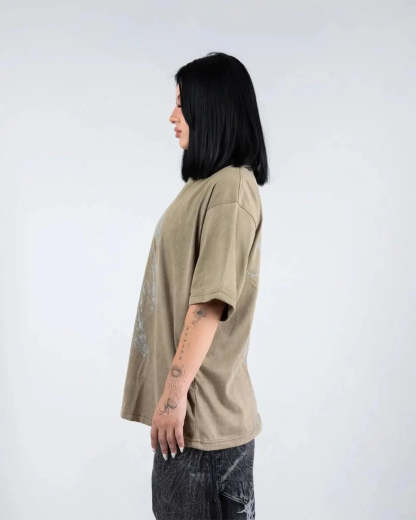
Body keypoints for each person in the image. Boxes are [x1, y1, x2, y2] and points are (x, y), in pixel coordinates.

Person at [120, 51, 269, 520]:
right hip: (189, 425)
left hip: (203, 430)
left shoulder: (231, 189)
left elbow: (210, 302)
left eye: (182, 104)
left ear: (212, 110)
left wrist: (172, 396)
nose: (172, 115)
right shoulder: (205, 186)